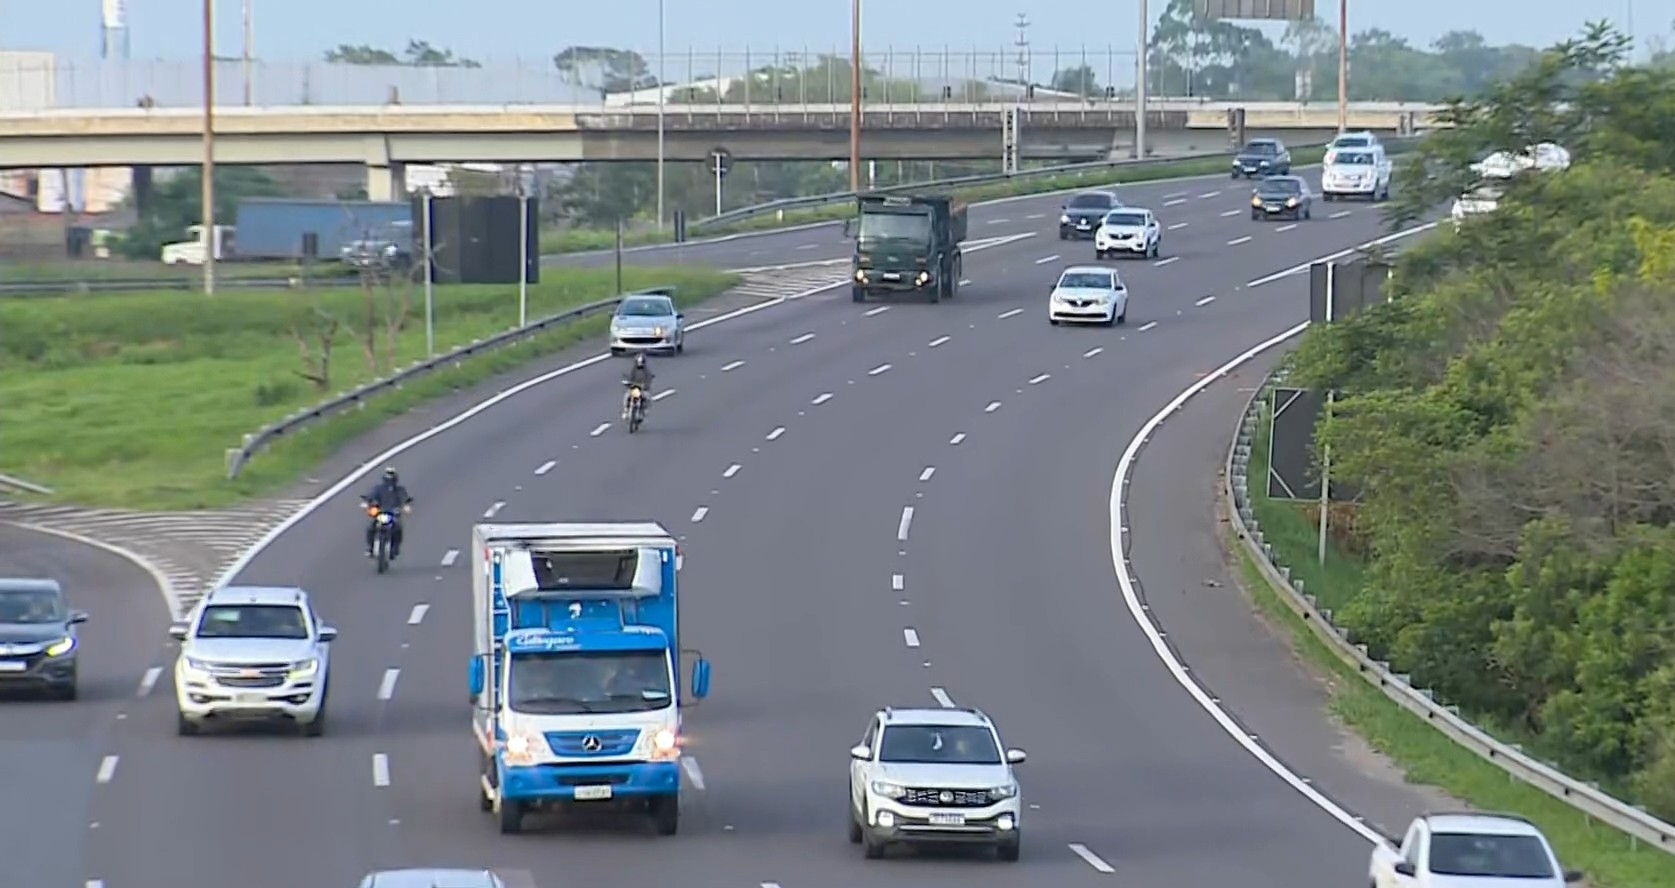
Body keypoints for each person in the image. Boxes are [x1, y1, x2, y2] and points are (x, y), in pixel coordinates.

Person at [362, 466, 413, 560]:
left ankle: (395, 548)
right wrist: (366, 502)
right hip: (380, 513)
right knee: (371, 528)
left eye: (391, 474)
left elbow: (404, 498)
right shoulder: (379, 489)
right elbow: (371, 496)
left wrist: (406, 505)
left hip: (393, 513)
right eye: (388, 474)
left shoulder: (399, 490)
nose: (389, 478)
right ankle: (371, 548)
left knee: (398, 529)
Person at [622, 353, 655, 420]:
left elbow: (648, 379)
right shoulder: (632, 370)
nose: (640, 364)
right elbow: (629, 377)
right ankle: (626, 410)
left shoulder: (647, 371)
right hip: (634, 387)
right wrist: (627, 382)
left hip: (643, 388)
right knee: (627, 396)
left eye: (641, 363)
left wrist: (646, 385)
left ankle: (644, 410)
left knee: (647, 398)